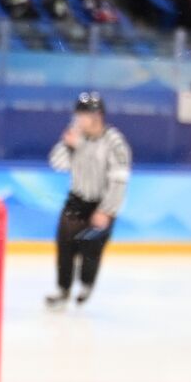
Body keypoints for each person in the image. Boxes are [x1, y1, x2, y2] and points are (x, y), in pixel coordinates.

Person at [46, 92, 132, 307]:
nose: (78, 119)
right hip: (77, 200)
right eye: (78, 115)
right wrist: (67, 144)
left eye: (82, 115)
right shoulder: (75, 136)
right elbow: (57, 163)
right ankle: (63, 289)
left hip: (102, 202)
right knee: (65, 246)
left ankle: (86, 283)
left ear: (97, 116)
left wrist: (107, 210)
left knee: (91, 247)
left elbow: (119, 180)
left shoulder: (115, 142)